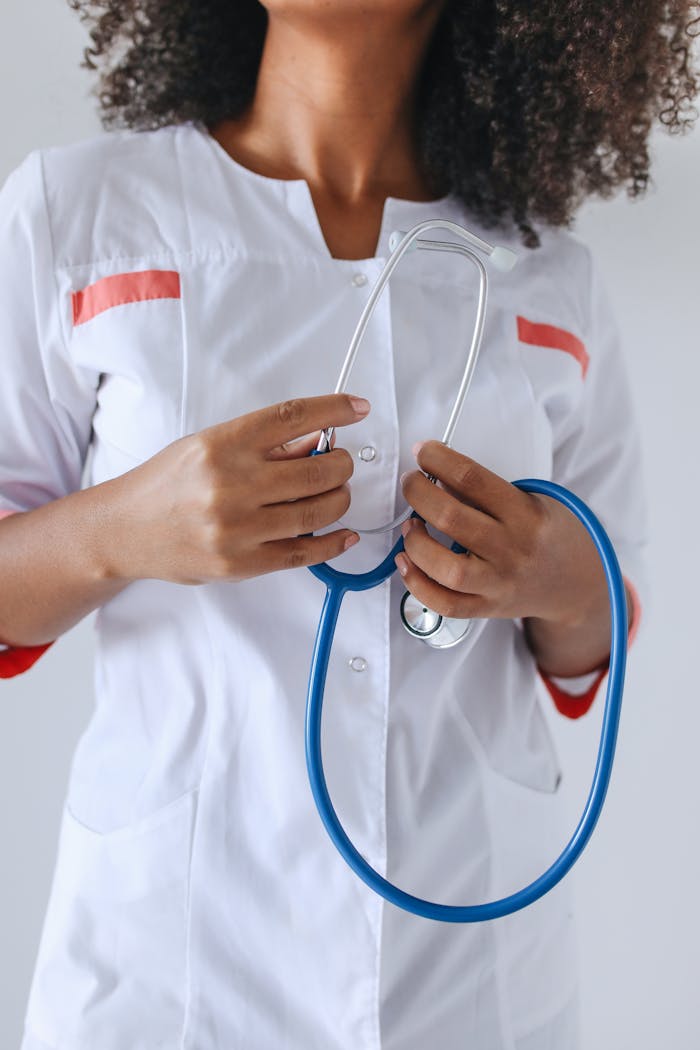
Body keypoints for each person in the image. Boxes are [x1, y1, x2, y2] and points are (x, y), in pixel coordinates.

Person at [0, 1, 696, 1047]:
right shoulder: (78, 215)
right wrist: (124, 528)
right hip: (171, 966)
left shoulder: (548, 276)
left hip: (467, 966)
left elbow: (608, 612)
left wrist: (552, 576)